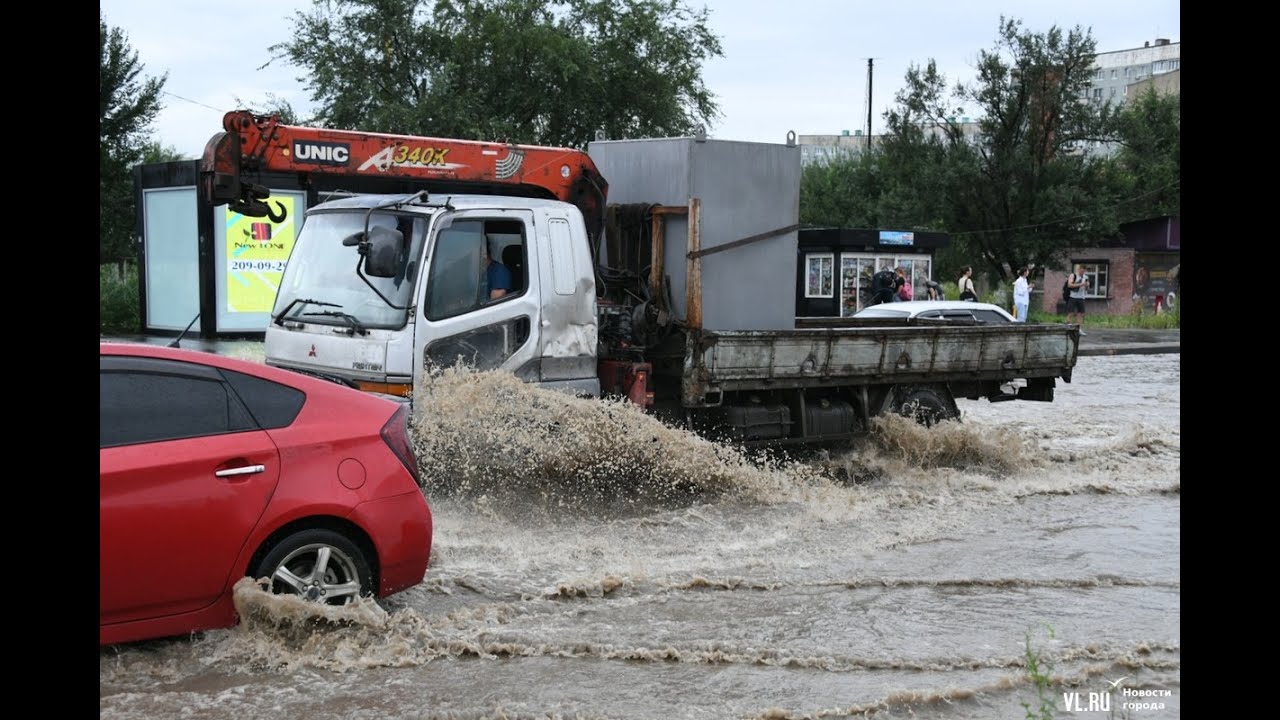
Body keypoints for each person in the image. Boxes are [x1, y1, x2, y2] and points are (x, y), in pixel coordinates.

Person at [1065, 263, 1088, 334]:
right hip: (1073, 297)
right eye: (1081, 271)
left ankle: (1079, 329)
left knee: (1080, 314)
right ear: (1079, 269)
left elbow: (1087, 286)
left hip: (1081, 297)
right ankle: (1068, 328)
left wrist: (1087, 285)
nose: (1082, 273)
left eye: (1084, 271)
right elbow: (1069, 285)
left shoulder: (1086, 277)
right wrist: (1080, 284)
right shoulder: (1073, 275)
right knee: (1071, 313)